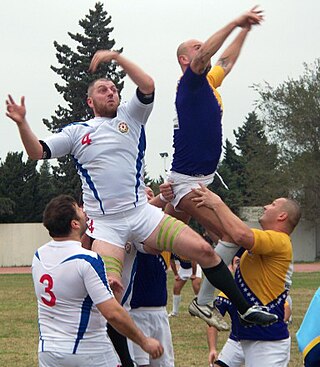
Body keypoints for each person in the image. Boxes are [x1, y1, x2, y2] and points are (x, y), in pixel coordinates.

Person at [6, 48, 277, 330]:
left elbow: (147, 85)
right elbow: (37, 152)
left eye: (113, 89)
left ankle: (245, 309)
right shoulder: (77, 132)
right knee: (112, 291)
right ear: (90, 101)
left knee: (203, 251)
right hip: (106, 225)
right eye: (102, 90)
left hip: (142, 214)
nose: (111, 92)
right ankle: (122, 359)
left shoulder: (132, 115)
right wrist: (23, 122)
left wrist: (116, 58)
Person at [159, 6, 265, 325]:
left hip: (199, 179)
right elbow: (208, 53)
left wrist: (245, 30)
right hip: (188, 182)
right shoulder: (189, 83)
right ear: (185, 61)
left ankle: (128, 260)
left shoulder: (208, 84)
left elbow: (225, 62)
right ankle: (204, 302)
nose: (202, 48)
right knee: (232, 236)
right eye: (195, 47)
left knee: (151, 237)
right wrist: (234, 22)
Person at [31, 194, 163, 367]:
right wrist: (144, 341)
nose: (84, 211)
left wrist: (103, 285)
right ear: (74, 224)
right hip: (88, 351)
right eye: (79, 209)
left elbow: (70, 291)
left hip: (48, 351)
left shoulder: (39, 256)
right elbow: (112, 313)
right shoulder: (88, 260)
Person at [192, 185, 301, 366]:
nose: (266, 206)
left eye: (273, 204)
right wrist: (194, 206)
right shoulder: (264, 244)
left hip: (268, 343)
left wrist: (217, 203)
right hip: (244, 338)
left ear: (282, 216)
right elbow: (225, 236)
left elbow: (240, 235)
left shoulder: (279, 240)